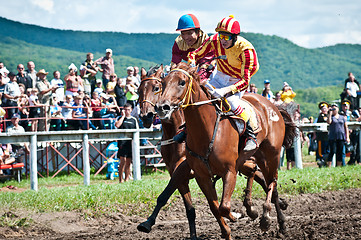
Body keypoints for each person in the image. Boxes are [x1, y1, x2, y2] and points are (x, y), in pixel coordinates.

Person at [188, 15, 259, 151]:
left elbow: (245, 82)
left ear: (235, 37)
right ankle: (186, 129)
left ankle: (250, 136)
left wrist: (225, 91)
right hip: (220, 74)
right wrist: (192, 63)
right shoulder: (214, 40)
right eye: (221, 35)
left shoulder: (246, 50)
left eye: (226, 37)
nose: (222, 40)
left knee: (231, 102)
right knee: (198, 96)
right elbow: (195, 54)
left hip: (238, 79)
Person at [172, 13, 215, 82]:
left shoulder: (206, 42)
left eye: (189, 33)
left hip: (208, 68)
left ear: (198, 32)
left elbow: (205, 66)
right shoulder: (178, 42)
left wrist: (197, 81)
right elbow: (174, 64)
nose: (186, 37)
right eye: (183, 33)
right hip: (191, 66)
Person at [115, 103, 139, 183]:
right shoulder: (120, 118)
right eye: (125, 109)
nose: (127, 111)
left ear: (131, 110)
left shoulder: (133, 120)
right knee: (123, 161)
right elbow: (117, 125)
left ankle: (127, 178)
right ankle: (120, 179)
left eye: (128, 110)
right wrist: (123, 116)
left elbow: (137, 131)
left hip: (130, 143)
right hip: (122, 142)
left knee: (128, 162)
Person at [315, 101, 330, 167]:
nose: (324, 109)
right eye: (322, 108)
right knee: (321, 150)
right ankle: (321, 161)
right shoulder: (321, 116)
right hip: (321, 136)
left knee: (327, 149)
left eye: (325, 108)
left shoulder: (329, 115)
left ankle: (326, 161)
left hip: (328, 136)